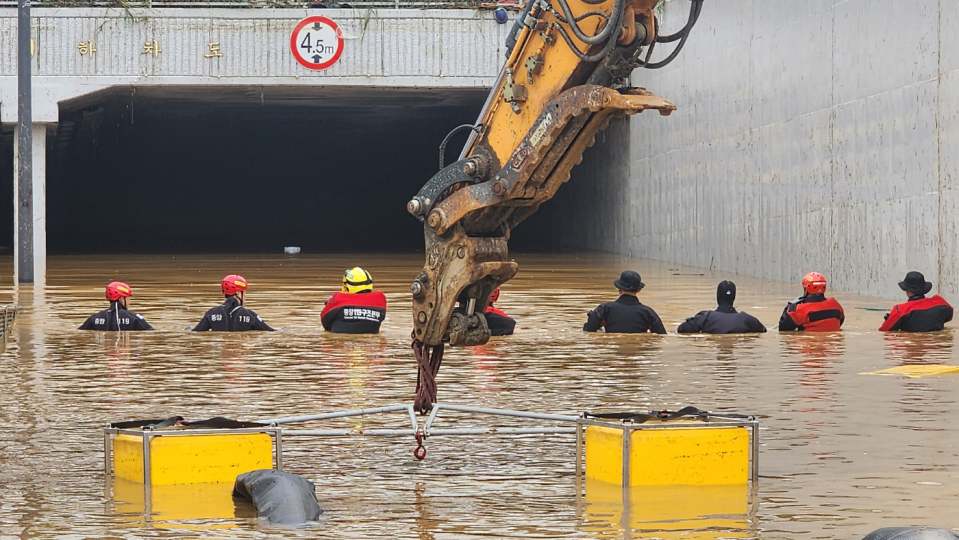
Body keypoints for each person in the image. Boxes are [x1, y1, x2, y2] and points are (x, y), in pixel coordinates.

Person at [583, 271, 666, 334]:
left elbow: (588, 331)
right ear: (639, 290)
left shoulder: (604, 309)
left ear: (619, 290)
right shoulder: (648, 312)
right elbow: (661, 335)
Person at [677, 280, 766, 334]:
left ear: (718, 296)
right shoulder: (748, 320)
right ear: (734, 297)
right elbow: (764, 331)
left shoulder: (706, 317)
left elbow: (681, 329)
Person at [193, 274, 274, 332]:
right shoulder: (250, 315)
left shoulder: (211, 314)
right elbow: (270, 331)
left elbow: (196, 331)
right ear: (238, 293)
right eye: (244, 292)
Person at [879, 271, 953, 332]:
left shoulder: (900, 310)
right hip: (936, 347)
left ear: (907, 290)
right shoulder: (940, 302)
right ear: (924, 288)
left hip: (912, 345)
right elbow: (949, 316)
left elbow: (884, 330)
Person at [321, 267, 387, 334]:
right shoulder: (380, 299)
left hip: (340, 340)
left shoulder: (337, 298)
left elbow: (324, 321)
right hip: (371, 341)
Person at [778, 272, 844, 332]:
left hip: (809, 344)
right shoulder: (835, 305)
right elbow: (840, 321)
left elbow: (783, 328)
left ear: (806, 290)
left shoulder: (798, 310)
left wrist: (790, 307)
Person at [79, 281, 154, 331]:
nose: (129, 302)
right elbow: (152, 332)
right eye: (128, 298)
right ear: (122, 299)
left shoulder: (94, 318)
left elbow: (81, 332)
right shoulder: (135, 318)